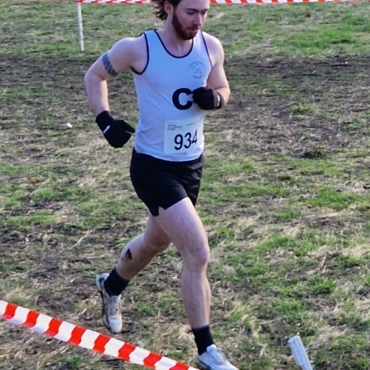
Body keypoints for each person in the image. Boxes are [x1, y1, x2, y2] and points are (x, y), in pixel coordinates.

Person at [84, 0, 237, 369]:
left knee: (156, 241)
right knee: (197, 252)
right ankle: (206, 351)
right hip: (152, 167)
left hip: (191, 166)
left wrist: (215, 99)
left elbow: (223, 87)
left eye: (204, 12)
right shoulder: (138, 49)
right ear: (168, 7)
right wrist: (105, 119)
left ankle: (112, 285)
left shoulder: (210, 46)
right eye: (190, 12)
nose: (198, 20)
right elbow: (94, 76)